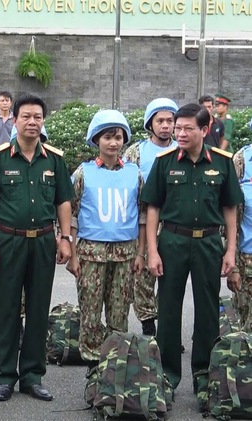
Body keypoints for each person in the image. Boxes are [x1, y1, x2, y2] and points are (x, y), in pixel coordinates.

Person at [0, 93, 74, 403]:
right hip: (8, 240)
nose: (32, 122)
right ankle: (5, 376)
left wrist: (65, 238)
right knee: (6, 310)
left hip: (44, 240)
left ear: (43, 121)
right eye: (26, 117)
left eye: (38, 117)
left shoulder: (54, 160)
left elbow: (63, 202)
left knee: (37, 308)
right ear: (14, 120)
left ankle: (33, 376)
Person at [142, 103, 242, 402]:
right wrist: (152, 251)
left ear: (204, 129)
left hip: (209, 243)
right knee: (169, 312)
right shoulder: (165, 161)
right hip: (172, 241)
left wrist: (231, 251)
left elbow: (230, 209)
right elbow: (153, 208)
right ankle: (168, 377)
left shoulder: (223, 163)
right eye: (177, 127)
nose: (180, 133)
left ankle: (203, 378)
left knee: (208, 313)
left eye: (187, 128)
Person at [67, 110, 145, 369]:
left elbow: (143, 215)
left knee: (119, 311)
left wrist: (141, 253)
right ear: (96, 140)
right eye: (108, 137)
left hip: (125, 253)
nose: (113, 143)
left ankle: (115, 365)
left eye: (118, 137)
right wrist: (73, 255)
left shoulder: (135, 173)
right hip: (91, 253)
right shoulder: (83, 173)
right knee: (89, 311)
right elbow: (72, 215)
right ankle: (92, 365)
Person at [122, 97, 178, 336]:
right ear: (150, 124)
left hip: (175, 223)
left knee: (171, 276)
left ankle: (167, 328)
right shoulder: (136, 151)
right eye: (160, 120)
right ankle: (149, 325)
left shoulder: (182, 148)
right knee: (143, 275)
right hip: (145, 222)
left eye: (170, 120)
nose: (165, 125)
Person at [230, 144, 252, 328]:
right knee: (246, 321)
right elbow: (232, 225)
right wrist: (234, 267)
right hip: (248, 259)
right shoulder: (242, 159)